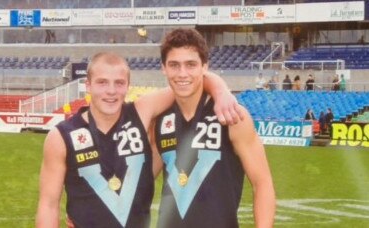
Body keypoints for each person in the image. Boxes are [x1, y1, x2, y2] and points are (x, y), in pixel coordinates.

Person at [36, 52, 243, 227]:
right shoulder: (61, 136)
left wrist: (221, 91)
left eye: (119, 83)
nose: (111, 91)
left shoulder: (141, 113)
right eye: (102, 83)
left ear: (128, 86)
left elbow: (190, 81)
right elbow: (48, 204)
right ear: (88, 85)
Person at [152, 28, 275, 228]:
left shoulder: (233, 116)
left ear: (205, 67)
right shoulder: (157, 119)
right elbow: (142, 182)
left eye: (191, 64)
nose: (182, 73)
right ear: (163, 68)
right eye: (174, 65)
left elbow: (262, 184)